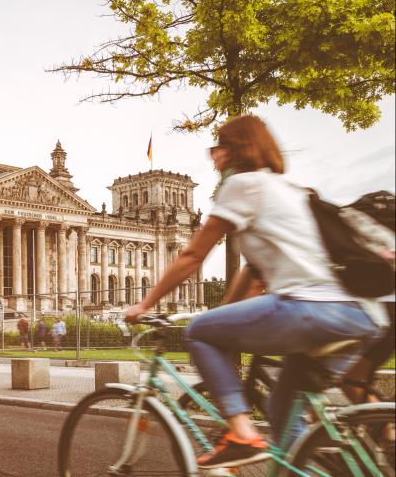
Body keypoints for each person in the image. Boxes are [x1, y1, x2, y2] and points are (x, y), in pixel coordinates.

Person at [124, 115, 383, 470]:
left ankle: (242, 433)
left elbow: (192, 255)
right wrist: (228, 314)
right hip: (358, 314)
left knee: (199, 331)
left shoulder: (242, 185)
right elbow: (255, 270)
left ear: (237, 150)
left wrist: (145, 304)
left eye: (219, 147)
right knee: (281, 408)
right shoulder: (292, 191)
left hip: (308, 308)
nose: (213, 156)